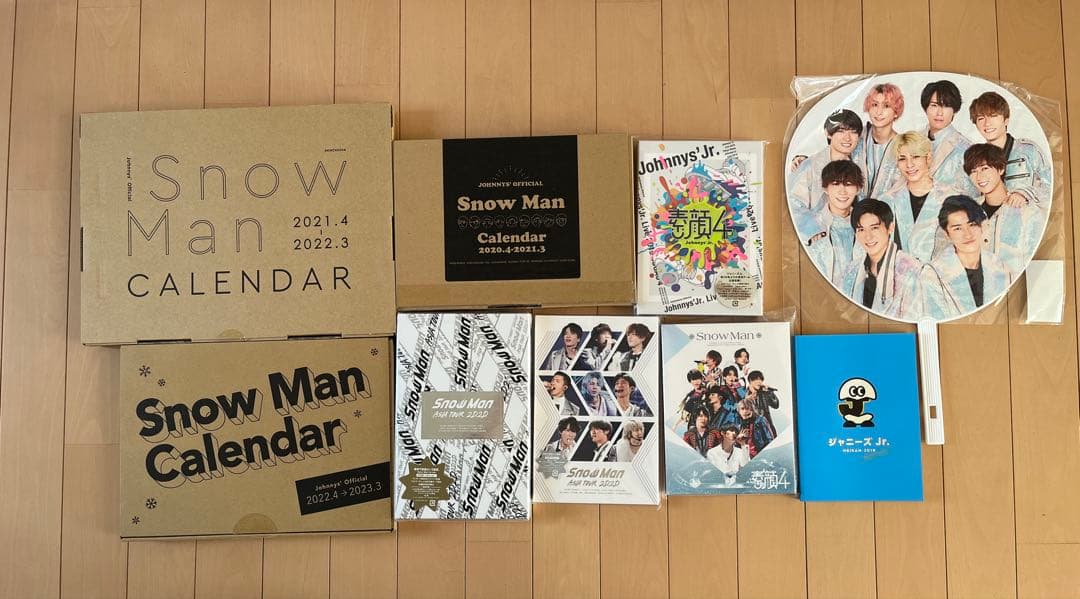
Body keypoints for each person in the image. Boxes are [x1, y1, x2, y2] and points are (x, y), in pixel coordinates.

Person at [923, 195, 1014, 318]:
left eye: (972, 225)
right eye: (958, 228)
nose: (968, 235)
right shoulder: (933, 274)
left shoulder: (1002, 269)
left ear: (981, 226)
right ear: (947, 234)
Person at [964, 144, 1046, 273]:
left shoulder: (1026, 211)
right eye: (973, 171)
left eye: (985, 168)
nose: (979, 177)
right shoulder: (966, 213)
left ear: (1001, 169)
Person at [877, 131, 957, 262]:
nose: (909, 165)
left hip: (939, 273)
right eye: (902, 158)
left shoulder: (952, 198)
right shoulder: (887, 201)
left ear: (928, 158)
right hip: (896, 273)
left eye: (915, 157)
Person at [840, 199, 926, 319]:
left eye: (874, 228)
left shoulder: (912, 270)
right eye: (861, 230)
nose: (868, 236)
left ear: (890, 227)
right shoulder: (851, 270)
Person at [968, 91, 1051, 207]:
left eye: (993, 116)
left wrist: (1025, 194)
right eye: (981, 118)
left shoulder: (1028, 150)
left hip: (1027, 215)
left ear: (1006, 120)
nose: (987, 123)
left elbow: (1050, 185)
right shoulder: (974, 159)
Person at [790, 160, 864, 287]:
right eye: (835, 184)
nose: (842, 191)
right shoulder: (808, 229)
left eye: (848, 184)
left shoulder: (867, 227)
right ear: (825, 188)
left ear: (858, 189)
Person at [788, 109, 864, 210]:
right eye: (841, 131)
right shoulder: (809, 167)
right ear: (828, 133)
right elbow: (795, 206)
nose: (847, 138)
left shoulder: (861, 162)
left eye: (853, 132)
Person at [920, 80, 976, 194]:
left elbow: (972, 193)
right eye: (934, 105)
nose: (939, 113)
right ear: (926, 108)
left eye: (946, 106)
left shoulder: (966, 149)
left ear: (954, 111)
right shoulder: (911, 141)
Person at [853, 82, 905, 197]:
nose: (879, 112)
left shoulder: (903, 146)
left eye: (886, 106)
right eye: (875, 105)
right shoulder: (855, 136)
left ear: (896, 112)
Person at [744, 371, 780, 435]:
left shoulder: (764, 393)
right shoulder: (743, 393)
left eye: (761, 379)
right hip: (751, 430)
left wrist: (769, 392)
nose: (759, 382)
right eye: (757, 379)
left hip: (767, 428)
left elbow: (776, 405)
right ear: (750, 381)